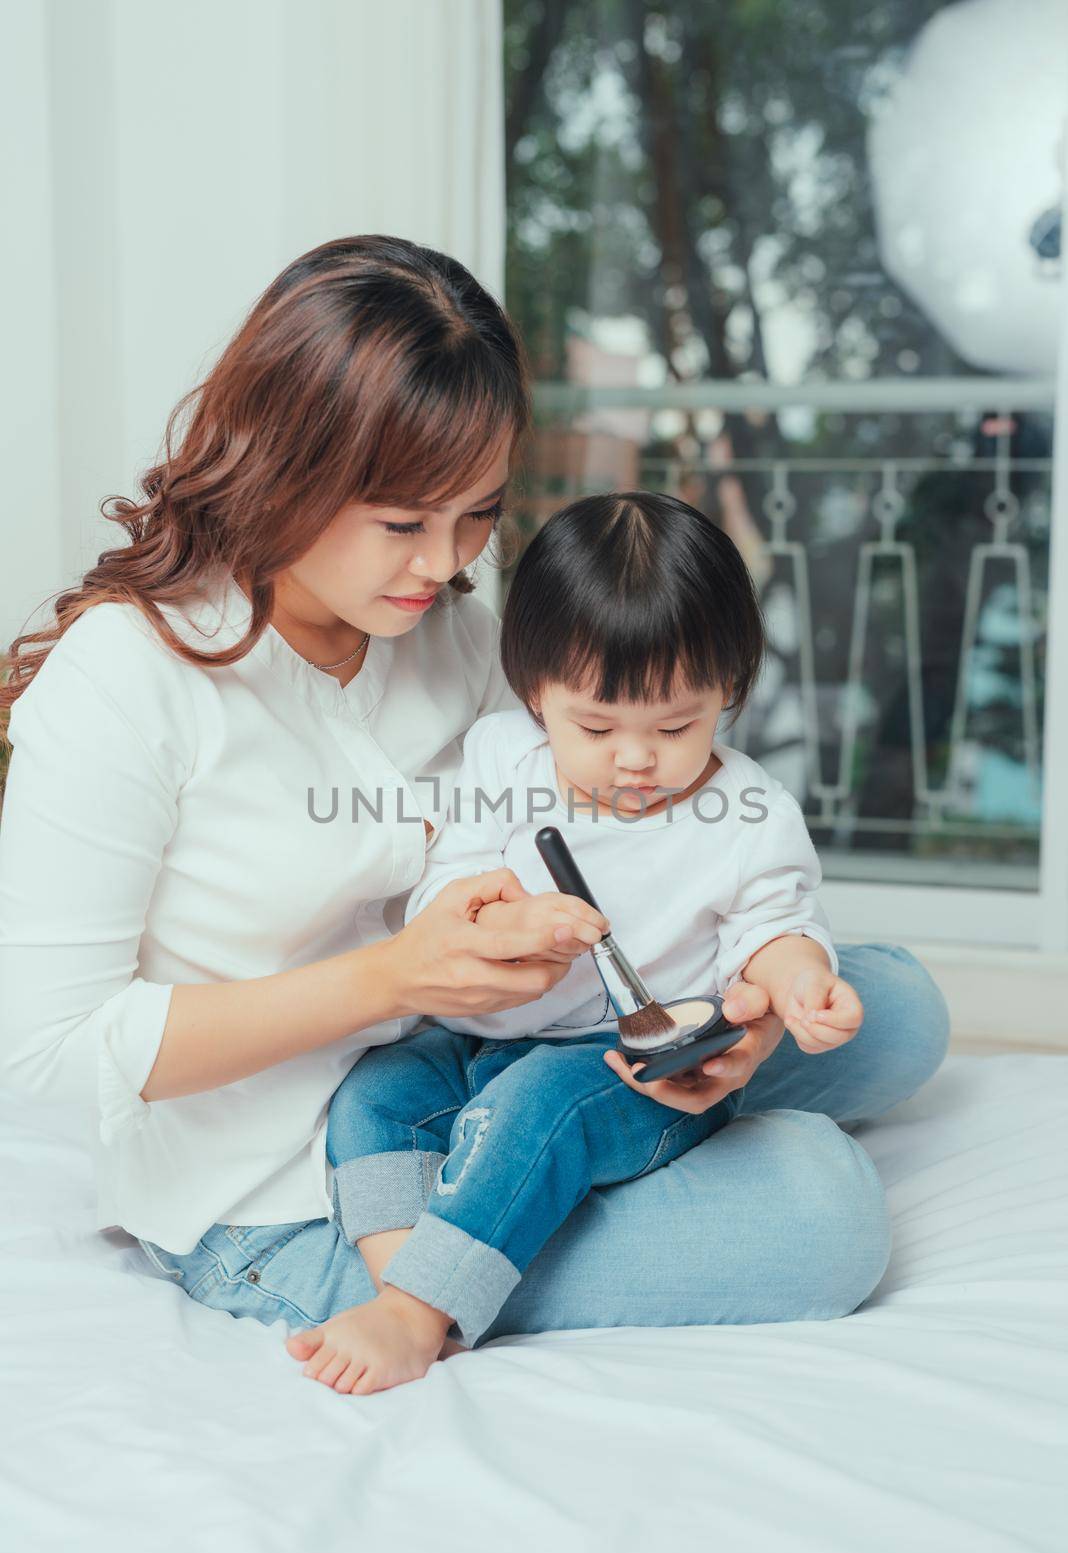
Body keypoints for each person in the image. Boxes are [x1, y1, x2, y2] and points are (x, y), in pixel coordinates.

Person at [0, 236, 949, 1384]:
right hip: (284, 1184)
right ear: (283, 465)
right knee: (823, 1205)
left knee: (891, 1005)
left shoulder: (441, 625)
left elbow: (603, 812)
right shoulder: (127, 678)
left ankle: (588, 1141)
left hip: (493, 1051)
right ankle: (434, 1264)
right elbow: (44, 1052)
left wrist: (728, 1015)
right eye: (403, 522)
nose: (443, 564)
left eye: (477, 515)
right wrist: (396, 977)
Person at [301, 492, 865, 1394]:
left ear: (730, 690)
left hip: (636, 1066)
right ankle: (407, 1274)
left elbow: (776, 927)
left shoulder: (751, 810)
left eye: (677, 726)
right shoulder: (499, 758)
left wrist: (801, 986)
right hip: (486, 1035)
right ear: (535, 695)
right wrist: (506, 919)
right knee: (377, 1091)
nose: (635, 760)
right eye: (595, 728)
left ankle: (419, 1312)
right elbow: (453, 883)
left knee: (540, 1106)